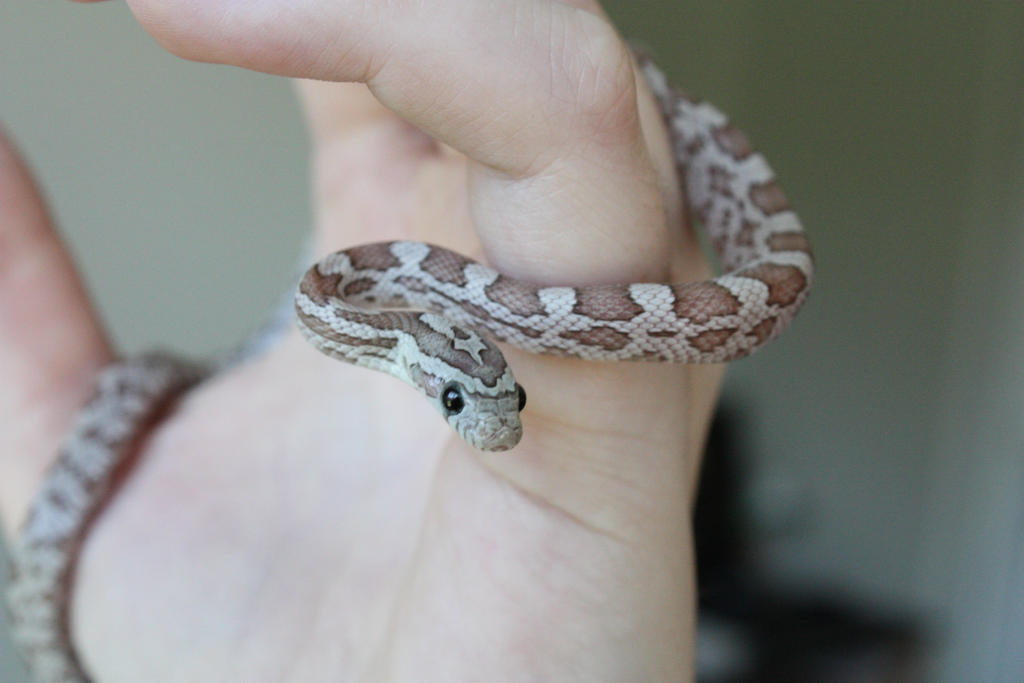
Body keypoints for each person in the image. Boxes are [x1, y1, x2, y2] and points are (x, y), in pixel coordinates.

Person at [0, 0, 723, 679]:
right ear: (416, 361)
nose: (494, 427)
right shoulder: (348, 307)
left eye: (503, 394)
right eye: (455, 396)